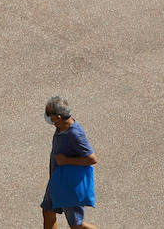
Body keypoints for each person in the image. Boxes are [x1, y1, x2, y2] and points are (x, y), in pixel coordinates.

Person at [41, 97, 99, 229]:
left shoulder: (75, 134)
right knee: (48, 211)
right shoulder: (60, 126)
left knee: (77, 225)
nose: (47, 117)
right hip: (57, 180)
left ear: (59, 117)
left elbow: (92, 158)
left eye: (49, 114)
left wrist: (66, 160)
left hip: (69, 185)